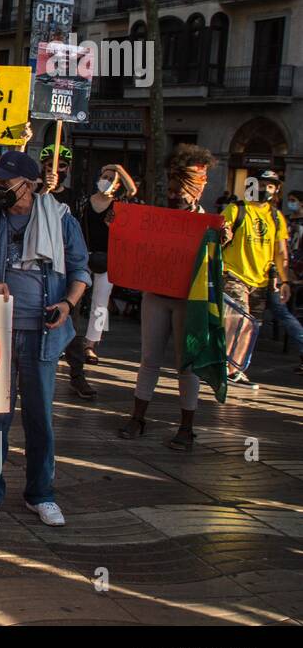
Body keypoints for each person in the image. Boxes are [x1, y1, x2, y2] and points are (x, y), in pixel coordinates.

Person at [0, 150, 90, 526]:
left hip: (44, 334)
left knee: (40, 419)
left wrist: (68, 303)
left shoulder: (61, 221)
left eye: (4, 183)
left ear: (29, 185)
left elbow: (81, 269)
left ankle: (41, 494)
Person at [118, 145, 224, 449]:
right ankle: (137, 417)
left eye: (183, 188)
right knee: (148, 358)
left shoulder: (211, 225)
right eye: (174, 187)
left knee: (186, 363)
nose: (176, 193)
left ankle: (186, 426)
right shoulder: (156, 217)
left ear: (198, 189)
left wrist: (221, 241)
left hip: (188, 301)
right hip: (156, 295)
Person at [220, 169, 294, 383]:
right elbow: (219, 234)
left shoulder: (276, 217)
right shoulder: (236, 209)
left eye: (270, 186)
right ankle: (223, 367)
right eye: (261, 184)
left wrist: (284, 280)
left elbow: (281, 252)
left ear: (276, 190)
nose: (265, 189)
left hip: (260, 281)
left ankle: (236, 370)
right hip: (234, 275)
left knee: (251, 328)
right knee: (236, 322)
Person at [40, 143, 95, 400]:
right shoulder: (36, 193)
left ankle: (77, 375)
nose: (55, 170)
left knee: (72, 323)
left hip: (66, 269)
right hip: (40, 268)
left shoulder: (76, 198)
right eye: (49, 165)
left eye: (60, 166)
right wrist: (43, 190)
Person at [78, 163, 138, 363]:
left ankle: (91, 344)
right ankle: (69, 339)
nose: (107, 181)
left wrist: (119, 168)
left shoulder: (118, 205)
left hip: (107, 257)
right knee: (75, 296)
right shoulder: (85, 202)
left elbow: (133, 190)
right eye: (105, 176)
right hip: (84, 255)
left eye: (112, 179)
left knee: (101, 302)